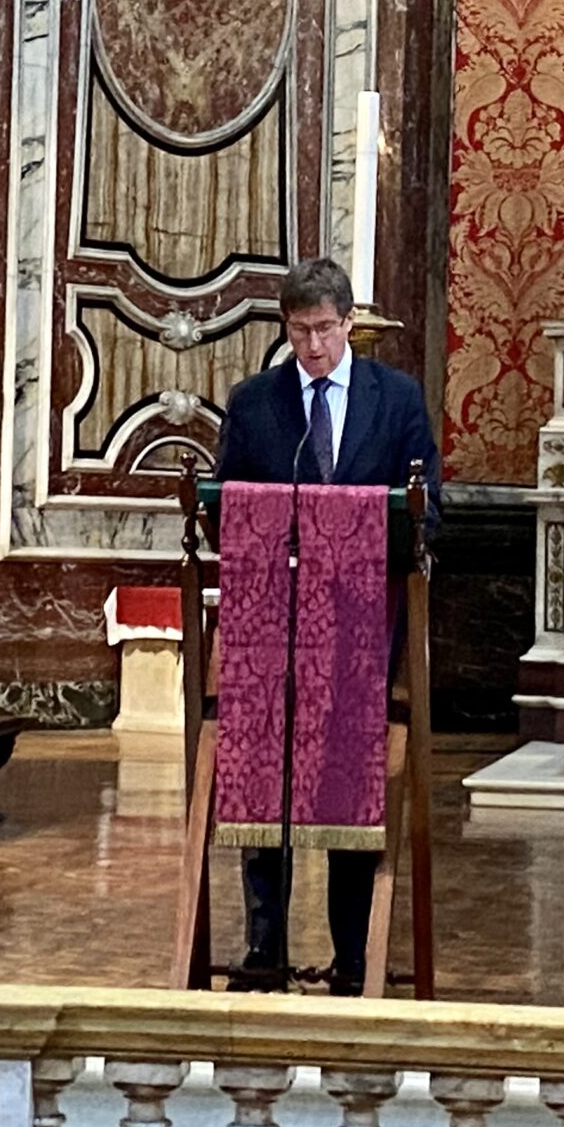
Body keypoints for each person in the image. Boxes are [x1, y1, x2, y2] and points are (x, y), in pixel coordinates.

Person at [215, 256, 440, 996]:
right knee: (264, 775)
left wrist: (379, 532)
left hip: (362, 630)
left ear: (348, 323)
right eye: (298, 331)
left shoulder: (395, 399)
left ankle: (351, 956)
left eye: (323, 329)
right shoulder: (255, 404)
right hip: (270, 629)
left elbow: (428, 507)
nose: (311, 346)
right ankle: (264, 947)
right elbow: (225, 512)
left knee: (352, 781)